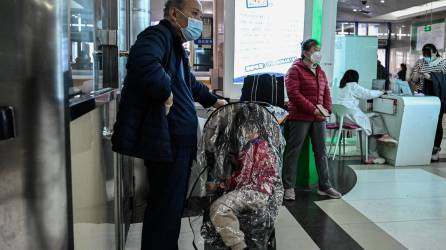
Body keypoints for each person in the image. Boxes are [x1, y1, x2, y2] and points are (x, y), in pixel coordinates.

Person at [111, 0, 227, 249]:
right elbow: (142, 63)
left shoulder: (175, 46)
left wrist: (214, 100)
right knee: (165, 208)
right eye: (195, 14)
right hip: (167, 142)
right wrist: (165, 91)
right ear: (175, 14)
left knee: (170, 208)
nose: (198, 20)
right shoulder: (157, 35)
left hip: (177, 143)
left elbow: (189, 84)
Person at [208, 110, 279, 250]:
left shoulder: (253, 148)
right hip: (261, 191)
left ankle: (239, 246)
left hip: (254, 192)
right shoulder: (263, 145)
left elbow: (243, 178)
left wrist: (222, 184)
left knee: (218, 209)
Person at [282, 39, 342, 200]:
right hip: (300, 117)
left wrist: (326, 109)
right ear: (305, 52)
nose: (318, 53)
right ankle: (288, 187)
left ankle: (325, 186)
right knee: (293, 152)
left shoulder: (320, 71)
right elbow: (294, 94)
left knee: (321, 152)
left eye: (319, 49)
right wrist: (313, 109)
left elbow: (326, 93)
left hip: (319, 118)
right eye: (315, 49)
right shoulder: (294, 70)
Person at [336, 70, 398, 164]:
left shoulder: (342, 87)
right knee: (374, 121)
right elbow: (368, 94)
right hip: (350, 118)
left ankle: (382, 137)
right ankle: (373, 154)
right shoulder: (353, 86)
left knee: (371, 120)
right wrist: (382, 92)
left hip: (342, 120)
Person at [410, 43, 446, 161]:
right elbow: (413, 79)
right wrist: (415, 76)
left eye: (428, 54)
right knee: (422, 123)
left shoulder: (443, 63)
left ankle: (435, 149)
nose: (426, 57)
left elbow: (444, 81)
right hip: (422, 96)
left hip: (437, 98)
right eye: (424, 54)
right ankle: (423, 148)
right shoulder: (420, 62)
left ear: (435, 52)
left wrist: (431, 77)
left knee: (436, 123)